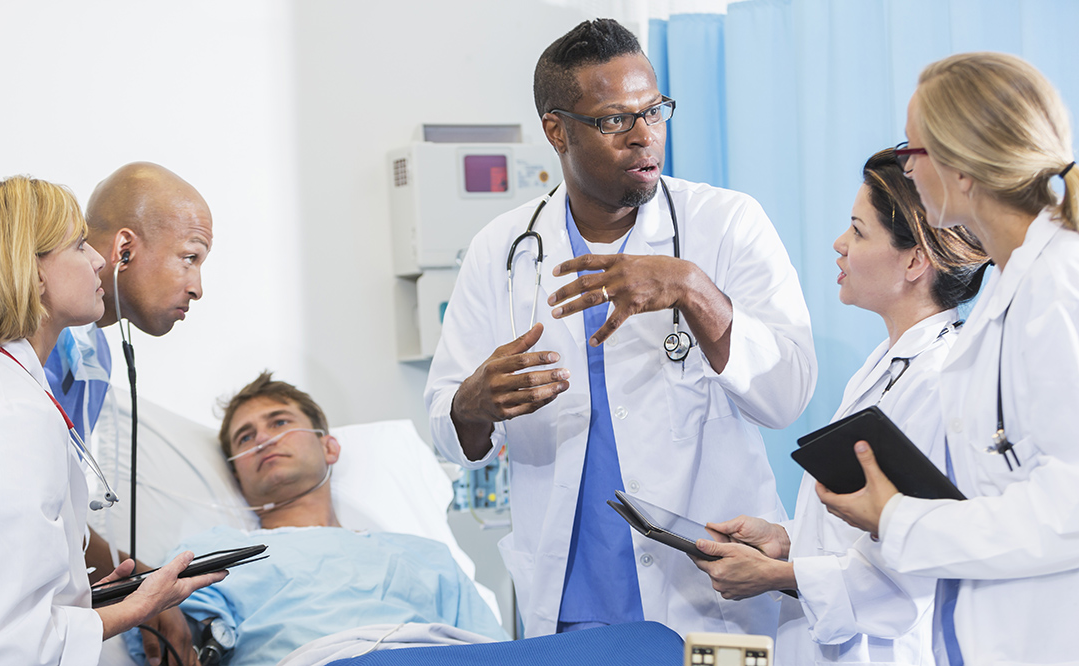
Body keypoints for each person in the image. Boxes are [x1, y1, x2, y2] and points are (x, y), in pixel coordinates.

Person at [425, 18, 816, 638]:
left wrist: (693, 289)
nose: (644, 136)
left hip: (710, 589)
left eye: (654, 111)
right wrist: (473, 405)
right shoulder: (502, 250)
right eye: (614, 120)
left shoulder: (727, 223)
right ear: (556, 130)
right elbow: (451, 438)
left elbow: (787, 396)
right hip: (574, 594)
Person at [0, 176, 223, 665]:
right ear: (34, 272)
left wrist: (75, 590)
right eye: (81, 246)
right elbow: (15, 644)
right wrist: (138, 606)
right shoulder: (4, 410)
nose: (99, 260)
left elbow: (4, 542)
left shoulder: (28, 382)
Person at [818, 52, 1079, 665]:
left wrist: (901, 520)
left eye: (913, 151)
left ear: (961, 171)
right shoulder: (1016, 289)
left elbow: (1071, 508)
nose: (904, 169)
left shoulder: (1056, 290)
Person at [688, 149, 988, 665]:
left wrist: (778, 576)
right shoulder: (888, 366)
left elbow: (913, 563)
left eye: (858, 230)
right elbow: (862, 524)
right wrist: (786, 541)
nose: (840, 244)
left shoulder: (938, 384)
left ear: (915, 261)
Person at [136, 372, 506, 666]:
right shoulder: (215, 552)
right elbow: (172, 635)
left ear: (329, 447)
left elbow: (496, 653)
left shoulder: (427, 556)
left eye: (279, 422)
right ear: (237, 477)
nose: (263, 439)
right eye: (245, 438)